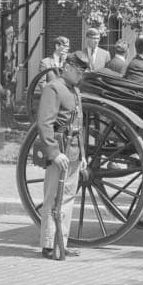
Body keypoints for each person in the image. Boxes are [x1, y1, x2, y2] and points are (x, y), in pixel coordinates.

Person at [34, 50, 91, 260]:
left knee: (67, 198)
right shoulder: (53, 88)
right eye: (78, 71)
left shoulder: (74, 90)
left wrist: (83, 154)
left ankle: (61, 242)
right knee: (53, 198)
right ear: (67, 67)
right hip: (60, 151)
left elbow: (78, 125)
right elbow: (45, 123)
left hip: (74, 151)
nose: (80, 76)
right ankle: (49, 244)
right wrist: (54, 152)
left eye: (82, 72)